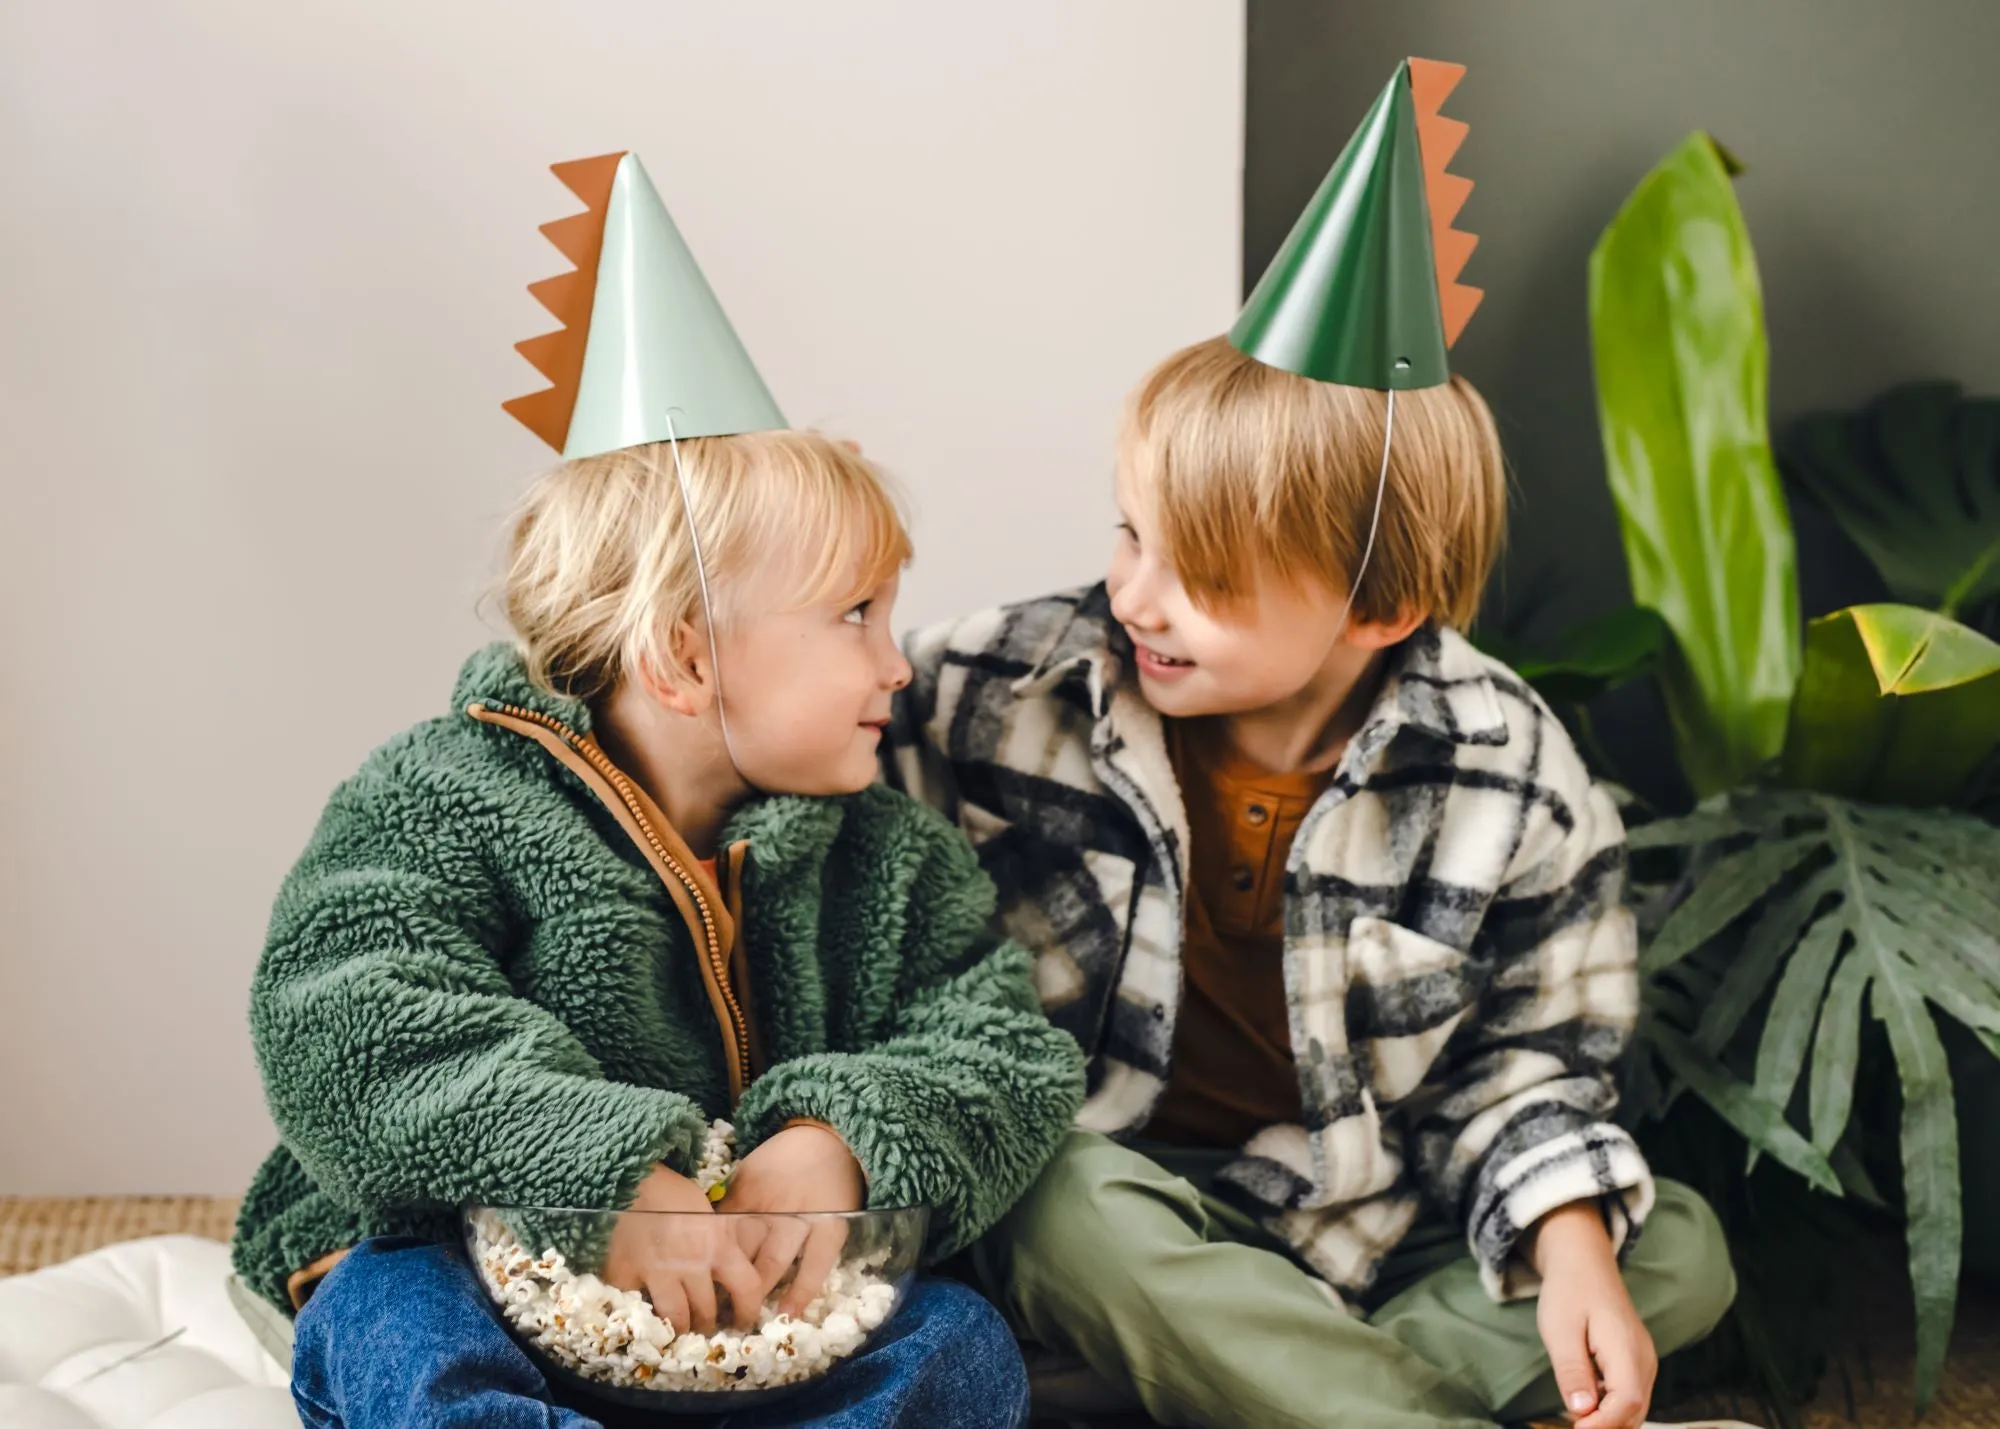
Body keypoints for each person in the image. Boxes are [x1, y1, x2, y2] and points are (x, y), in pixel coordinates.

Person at [885, 62, 1738, 1429]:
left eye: (1202, 575)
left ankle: (1229, 1389)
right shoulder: (994, 688)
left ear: (1380, 606)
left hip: (1361, 1219)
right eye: (1128, 530)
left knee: (1670, 1243)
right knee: (1060, 1188)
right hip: (1117, 1205)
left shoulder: (1510, 771)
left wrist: (1569, 1233)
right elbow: (814, 821)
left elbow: (1529, 1058)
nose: (1133, 596)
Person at [231, 151, 1082, 1429]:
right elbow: (345, 1015)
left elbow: (1003, 1048)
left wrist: (840, 1139)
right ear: (684, 653)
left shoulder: (890, 857)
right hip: (468, 1260)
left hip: (759, 1309)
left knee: (958, 1348)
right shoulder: (440, 799)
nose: (895, 664)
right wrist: (602, 1172)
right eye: (853, 616)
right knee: (395, 1331)